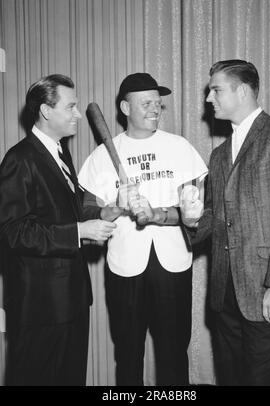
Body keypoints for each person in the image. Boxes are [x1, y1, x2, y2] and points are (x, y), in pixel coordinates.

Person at [79, 72, 208, 385]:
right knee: (128, 352)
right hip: (125, 265)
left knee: (174, 351)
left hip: (172, 263)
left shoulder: (180, 148)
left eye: (158, 104)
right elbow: (85, 210)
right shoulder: (101, 156)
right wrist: (114, 207)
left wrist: (158, 215)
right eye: (146, 103)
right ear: (125, 107)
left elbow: (195, 213)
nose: (155, 109)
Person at [180, 60, 270, 386]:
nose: (209, 99)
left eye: (216, 89)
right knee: (231, 378)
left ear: (243, 90)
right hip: (225, 294)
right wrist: (191, 219)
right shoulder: (219, 155)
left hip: (266, 291)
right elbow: (215, 222)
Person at [0, 74, 117, 386]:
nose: (78, 114)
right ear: (46, 111)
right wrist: (79, 231)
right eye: (71, 107)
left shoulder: (60, 153)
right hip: (41, 306)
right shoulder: (20, 159)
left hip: (71, 299)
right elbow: (13, 232)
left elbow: (70, 206)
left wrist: (106, 210)